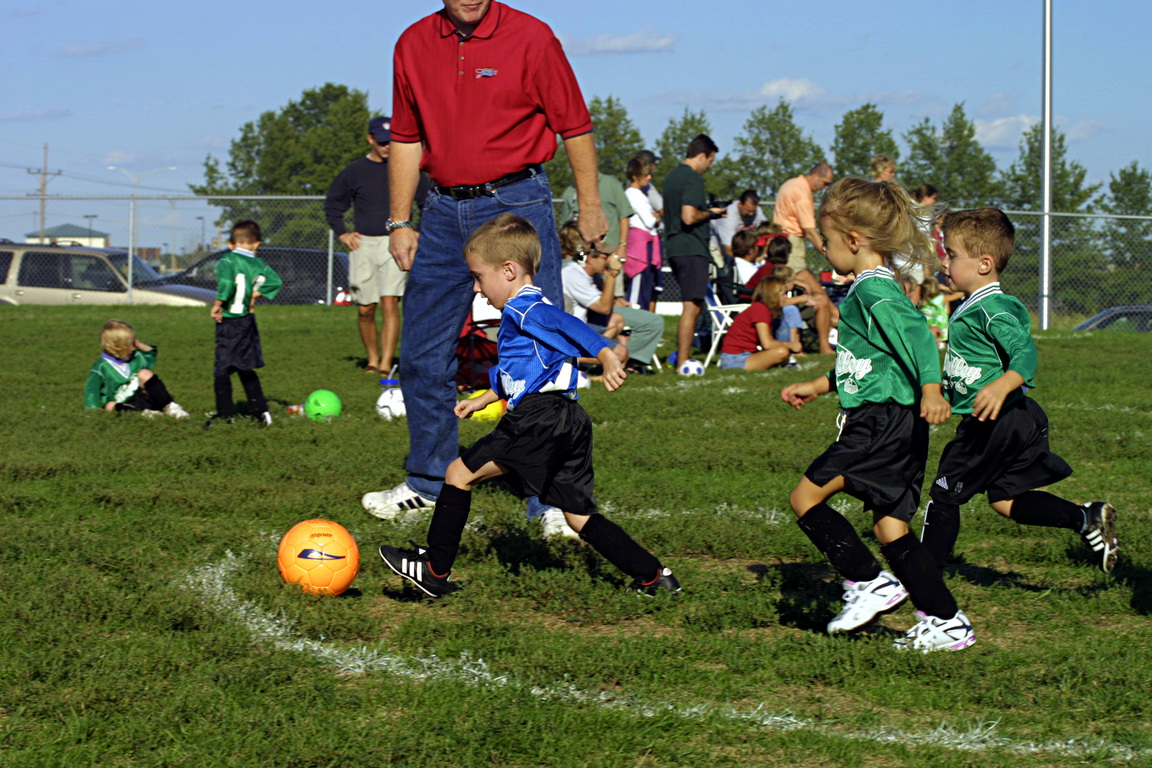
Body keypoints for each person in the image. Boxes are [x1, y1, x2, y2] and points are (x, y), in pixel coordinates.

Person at [368, 0, 609, 527]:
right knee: (422, 354)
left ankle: (549, 500)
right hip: (440, 211)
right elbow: (406, 137)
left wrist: (590, 204)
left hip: (517, 202)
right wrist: (399, 220)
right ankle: (428, 480)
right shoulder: (412, 43)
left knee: (543, 353)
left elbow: (575, 125)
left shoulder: (532, 36)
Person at [378, 214, 679, 597]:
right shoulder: (527, 313)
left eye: (478, 277)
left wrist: (604, 352)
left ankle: (434, 570)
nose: (476, 289)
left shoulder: (526, 308)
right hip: (569, 420)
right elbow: (521, 371)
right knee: (579, 516)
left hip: (538, 418)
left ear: (508, 270)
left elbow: (569, 325)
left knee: (457, 473)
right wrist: (484, 398)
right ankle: (654, 576)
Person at [780, 177, 974, 653]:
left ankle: (868, 581)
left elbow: (920, 336)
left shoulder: (873, 291)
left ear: (853, 240)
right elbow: (871, 361)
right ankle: (947, 622)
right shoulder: (873, 288)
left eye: (827, 240)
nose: (823, 248)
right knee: (891, 528)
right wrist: (820, 385)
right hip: (898, 424)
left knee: (805, 497)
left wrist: (932, 390)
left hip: (880, 423)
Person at [920, 207, 1120, 575]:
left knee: (945, 494)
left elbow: (1025, 351)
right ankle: (1085, 518)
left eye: (951, 254)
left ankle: (922, 576)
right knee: (1005, 500)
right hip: (1013, 419)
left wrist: (1003, 384)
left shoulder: (993, 308)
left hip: (996, 421)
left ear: (984, 264)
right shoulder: (970, 305)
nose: (943, 262)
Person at [324, 116, 431, 375]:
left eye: (391, 141)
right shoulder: (354, 172)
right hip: (363, 245)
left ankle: (385, 363)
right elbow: (333, 204)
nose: (387, 147)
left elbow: (427, 201)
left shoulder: (408, 168)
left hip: (394, 242)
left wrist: (417, 231)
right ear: (370, 139)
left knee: (389, 302)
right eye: (382, 142)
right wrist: (343, 234)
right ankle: (372, 359)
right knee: (365, 308)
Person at [205, 220, 282, 429]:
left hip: (230, 319)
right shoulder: (259, 264)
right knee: (245, 366)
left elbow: (227, 284)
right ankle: (261, 412)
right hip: (247, 321)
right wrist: (254, 295)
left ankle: (225, 414)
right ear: (257, 244)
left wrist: (218, 304)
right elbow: (275, 282)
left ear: (231, 244)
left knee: (222, 368)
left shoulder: (226, 260)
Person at [559, 223, 665, 374]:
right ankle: (564, 358)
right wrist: (612, 273)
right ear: (589, 258)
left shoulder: (584, 274)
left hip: (580, 327)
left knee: (617, 320)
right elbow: (604, 308)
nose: (609, 260)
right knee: (619, 355)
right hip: (569, 334)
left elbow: (604, 303)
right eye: (605, 256)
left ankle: (591, 358)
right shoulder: (573, 274)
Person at [663, 134, 726, 374]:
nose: (710, 166)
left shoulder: (672, 176)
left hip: (675, 246)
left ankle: (683, 356)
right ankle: (683, 361)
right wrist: (712, 213)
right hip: (691, 248)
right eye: (710, 161)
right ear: (701, 156)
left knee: (693, 305)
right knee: (692, 306)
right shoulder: (692, 178)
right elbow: (689, 216)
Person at [771, 163, 837, 353]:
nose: (825, 188)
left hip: (782, 241)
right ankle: (838, 324)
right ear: (815, 176)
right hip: (792, 243)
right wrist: (829, 253)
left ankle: (836, 323)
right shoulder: (802, 193)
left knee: (816, 291)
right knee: (817, 291)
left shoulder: (790, 184)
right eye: (825, 183)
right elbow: (810, 231)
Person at [84, 319, 189, 418]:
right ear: (119, 346)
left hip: (145, 397)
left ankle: (170, 407)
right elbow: (92, 390)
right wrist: (92, 411)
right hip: (125, 402)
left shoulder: (136, 357)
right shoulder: (102, 367)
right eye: (130, 344)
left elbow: (150, 354)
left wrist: (139, 344)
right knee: (109, 406)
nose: (133, 347)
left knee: (145, 373)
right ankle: (143, 413)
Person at [719, 277, 801, 370]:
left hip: (746, 354)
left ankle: (786, 360)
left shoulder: (763, 308)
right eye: (783, 294)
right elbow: (767, 344)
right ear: (773, 295)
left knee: (781, 323)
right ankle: (787, 361)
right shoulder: (760, 309)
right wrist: (791, 345)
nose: (786, 297)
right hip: (735, 358)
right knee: (781, 352)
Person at [623, 154, 662, 311]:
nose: (649, 178)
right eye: (645, 175)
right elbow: (650, 221)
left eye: (650, 174)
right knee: (636, 292)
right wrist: (656, 215)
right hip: (639, 249)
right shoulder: (633, 194)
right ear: (635, 176)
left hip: (646, 245)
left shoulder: (639, 194)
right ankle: (632, 320)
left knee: (646, 289)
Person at [713, 190, 767, 257]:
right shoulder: (728, 216)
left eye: (753, 211)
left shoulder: (757, 211)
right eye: (748, 211)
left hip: (742, 248)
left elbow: (765, 230)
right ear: (740, 204)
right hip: (719, 246)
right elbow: (729, 249)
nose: (751, 214)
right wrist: (745, 261)